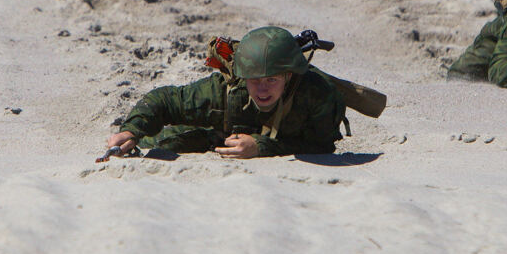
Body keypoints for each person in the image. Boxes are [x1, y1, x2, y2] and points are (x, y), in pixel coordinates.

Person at [106, 26, 346, 158]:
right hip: (221, 134)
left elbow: (322, 146)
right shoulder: (224, 92)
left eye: (272, 79)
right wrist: (132, 130)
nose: (262, 89)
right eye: (254, 80)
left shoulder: (319, 94)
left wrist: (261, 147)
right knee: (160, 144)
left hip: (279, 139)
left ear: (289, 76)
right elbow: (165, 101)